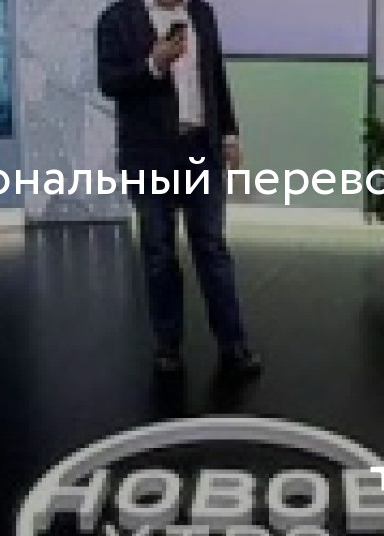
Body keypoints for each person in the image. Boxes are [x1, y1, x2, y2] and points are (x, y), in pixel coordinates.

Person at [96, 0, 261, 377]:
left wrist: (230, 134)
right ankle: (168, 346)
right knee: (159, 252)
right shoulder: (117, 19)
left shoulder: (202, 12)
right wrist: (154, 64)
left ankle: (233, 344)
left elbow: (215, 77)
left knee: (212, 248)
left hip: (202, 148)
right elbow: (109, 83)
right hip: (149, 154)